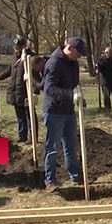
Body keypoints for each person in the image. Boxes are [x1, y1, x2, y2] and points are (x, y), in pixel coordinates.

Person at [42, 37, 88, 192]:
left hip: (69, 111)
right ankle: (50, 181)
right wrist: (70, 95)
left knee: (71, 145)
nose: (80, 57)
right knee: (53, 147)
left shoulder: (73, 63)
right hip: (54, 111)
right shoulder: (54, 63)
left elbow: (74, 84)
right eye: (78, 53)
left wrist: (79, 97)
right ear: (69, 48)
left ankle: (75, 176)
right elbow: (49, 88)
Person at [0, 37, 36, 142]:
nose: (16, 49)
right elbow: (9, 71)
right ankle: (22, 135)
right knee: (20, 115)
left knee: (29, 114)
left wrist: (34, 90)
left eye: (18, 47)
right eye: (15, 47)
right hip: (15, 91)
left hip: (25, 91)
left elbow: (35, 75)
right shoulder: (15, 58)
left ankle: (33, 136)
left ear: (24, 46)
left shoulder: (30, 57)